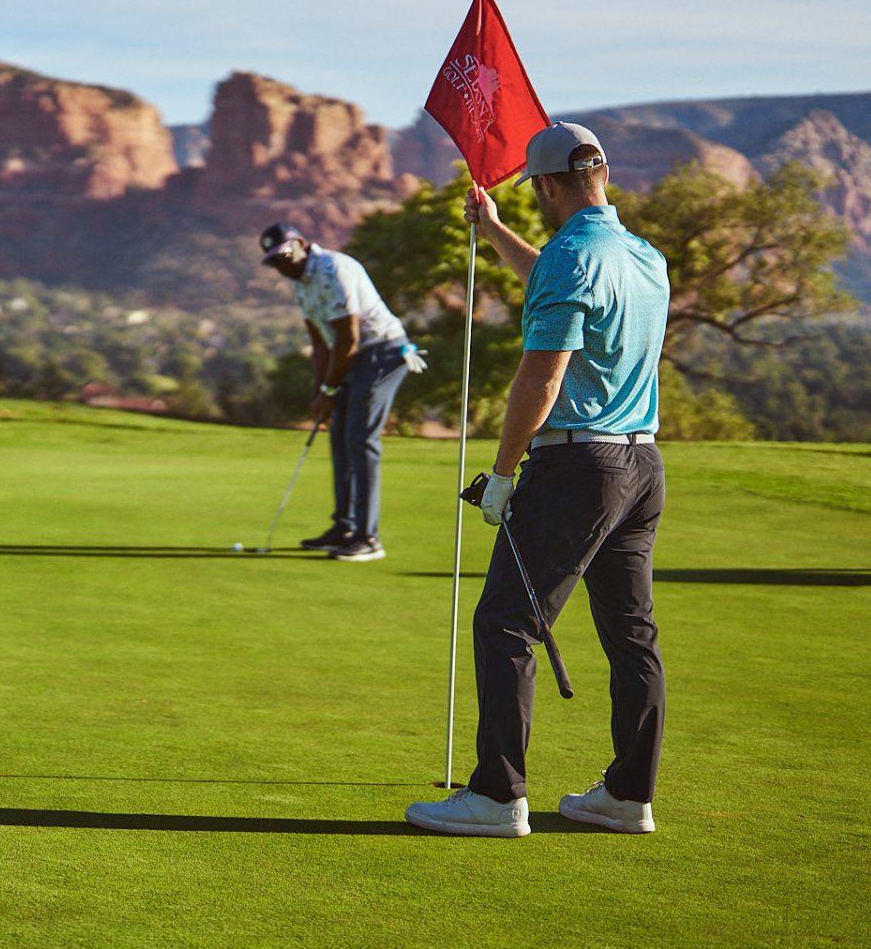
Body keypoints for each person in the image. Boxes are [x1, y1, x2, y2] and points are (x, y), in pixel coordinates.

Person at [406, 122, 670, 839]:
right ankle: (627, 795)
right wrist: (493, 231)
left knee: (506, 623)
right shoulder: (643, 256)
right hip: (642, 467)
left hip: (577, 468)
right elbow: (556, 280)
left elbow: (542, 373)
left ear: (547, 186)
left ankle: (497, 797)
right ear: (603, 173)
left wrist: (499, 473)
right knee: (631, 634)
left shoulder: (568, 256)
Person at [258, 222, 423, 562]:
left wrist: (331, 388)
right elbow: (321, 343)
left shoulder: (334, 268)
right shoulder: (301, 282)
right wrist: (321, 392)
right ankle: (345, 527)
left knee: (360, 440)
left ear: (301, 244)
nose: (282, 266)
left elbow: (348, 338)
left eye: (285, 256)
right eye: (275, 262)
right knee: (340, 437)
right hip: (351, 357)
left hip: (383, 352)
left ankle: (368, 538)